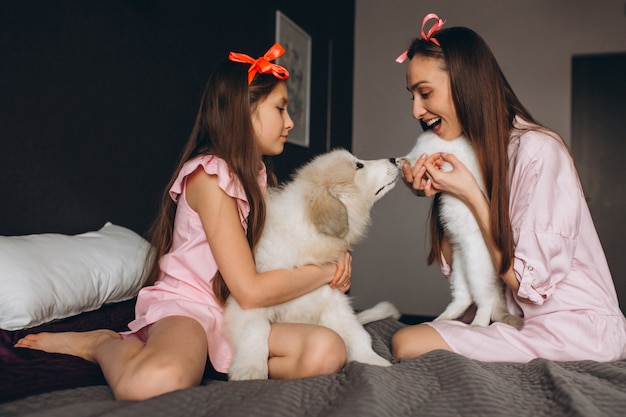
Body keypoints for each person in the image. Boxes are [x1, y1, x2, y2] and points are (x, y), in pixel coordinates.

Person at [15, 43, 352, 400]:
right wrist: (326, 271)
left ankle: (208, 360)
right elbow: (250, 290)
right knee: (153, 382)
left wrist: (328, 258)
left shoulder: (257, 175)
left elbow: (271, 263)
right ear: (244, 111)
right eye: (281, 109)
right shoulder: (210, 175)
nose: (289, 122)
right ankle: (102, 344)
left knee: (326, 350)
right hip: (190, 307)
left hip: (234, 314)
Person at [391, 14, 626, 363]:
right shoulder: (473, 155)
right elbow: (463, 272)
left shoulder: (539, 150)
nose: (416, 110)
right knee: (406, 340)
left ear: (465, 84)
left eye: (425, 93)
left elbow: (527, 283)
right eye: (412, 96)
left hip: (575, 328)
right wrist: (444, 191)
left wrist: (471, 193)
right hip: (518, 321)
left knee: (409, 342)